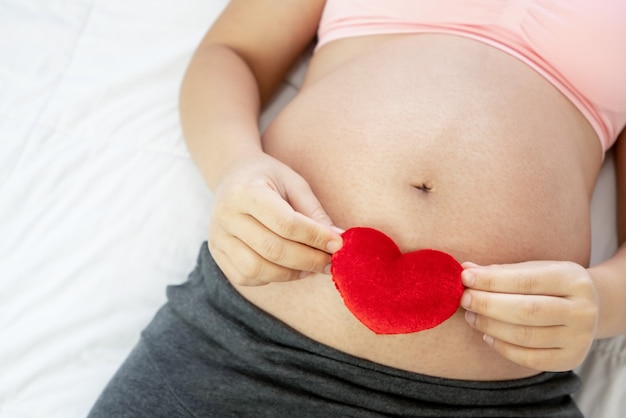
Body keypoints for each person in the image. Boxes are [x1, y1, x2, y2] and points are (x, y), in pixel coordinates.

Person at [89, 1, 626, 416]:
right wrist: (235, 166)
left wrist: (600, 303)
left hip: (491, 403)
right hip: (242, 350)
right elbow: (233, 53)